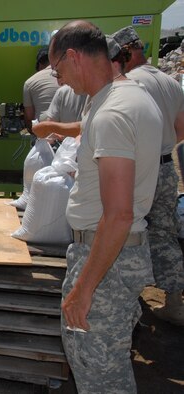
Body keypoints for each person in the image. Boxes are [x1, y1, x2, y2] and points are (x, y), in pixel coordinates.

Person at [50, 20, 162, 393]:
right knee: (107, 363)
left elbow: (119, 214)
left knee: (100, 373)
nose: (61, 81)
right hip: (116, 252)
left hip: (105, 254)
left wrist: (84, 288)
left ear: (73, 57)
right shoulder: (130, 95)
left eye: (59, 71)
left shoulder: (112, 112)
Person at [112, 25, 184, 326]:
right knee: (164, 232)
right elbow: (182, 129)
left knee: (127, 231)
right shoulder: (169, 82)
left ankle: (131, 304)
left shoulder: (130, 84)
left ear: (126, 51)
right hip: (167, 167)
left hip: (139, 168)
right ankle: (174, 302)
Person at [22, 45, 60, 134]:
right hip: (68, 130)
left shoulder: (30, 82)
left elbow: (29, 116)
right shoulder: (66, 76)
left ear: (39, 64)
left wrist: (32, 131)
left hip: (44, 131)